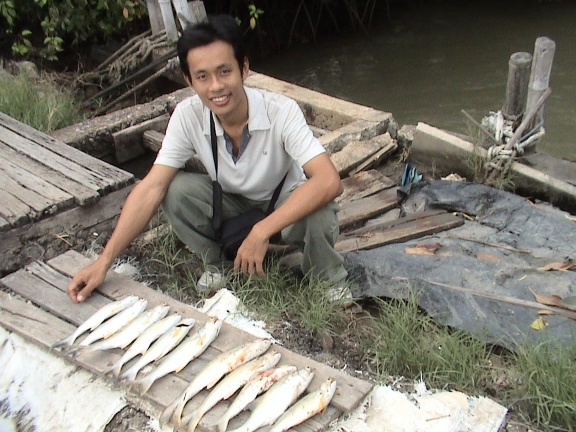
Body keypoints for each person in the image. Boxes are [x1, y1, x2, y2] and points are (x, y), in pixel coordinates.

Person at [67, 14, 350, 304]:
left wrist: (261, 231)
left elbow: (329, 180)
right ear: (189, 80)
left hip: (284, 206)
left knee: (321, 206)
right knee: (173, 189)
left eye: (224, 72)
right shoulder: (187, 116)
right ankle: (218, 264)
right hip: (230, 205)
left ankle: (328, 279)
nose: (215, 87)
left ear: (244, 69)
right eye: (202, 76)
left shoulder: (282, 111)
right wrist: (104, 262)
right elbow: (150, 188)